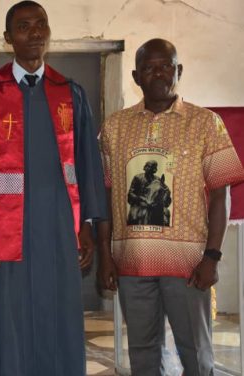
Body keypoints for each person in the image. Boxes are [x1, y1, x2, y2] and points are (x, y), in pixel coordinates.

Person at [0, 1, 107, 375]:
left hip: (59, 223)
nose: (34, 33)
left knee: (57, 306)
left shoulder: (70, 92)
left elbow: (87, 162)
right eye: (24, 26)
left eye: (40, 24)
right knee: (9, 311)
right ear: (8, 38)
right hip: (5, 225)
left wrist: (88, 224)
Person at [98, 38, 244, 376]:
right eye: (149, 68)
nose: (159, 73)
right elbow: (106, 195)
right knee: (143, 353)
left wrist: (212, 256)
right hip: (132, 263)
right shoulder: (115, 127)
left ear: (179, 71)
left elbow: (221, 195)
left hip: (188, 265)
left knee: (196, 352)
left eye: (166, 66)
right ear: (136, 77)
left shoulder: (206, 123)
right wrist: (107, 254)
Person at [127, 160, 172, 226]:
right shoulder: (138, 178)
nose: (147, 168)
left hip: (154, 204)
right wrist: (142, 199)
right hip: (140, 203)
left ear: (154, 169)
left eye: (150, 166)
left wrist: (163, 200)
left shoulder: (158, 179)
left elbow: (166, 190)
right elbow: (131, 193)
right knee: (134, 216)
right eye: (146, 166)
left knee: (165, 214)